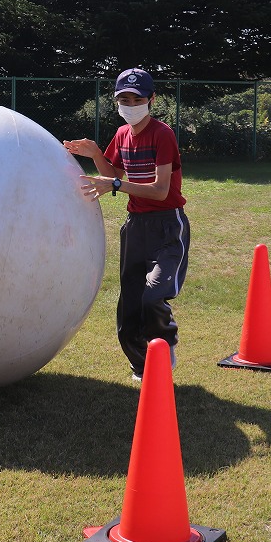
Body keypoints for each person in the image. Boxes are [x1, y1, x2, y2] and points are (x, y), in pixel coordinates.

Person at [63, 68, 188, 383]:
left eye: (137, 98)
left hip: (167, 225)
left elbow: (160, 191)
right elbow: (114, 172)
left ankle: (166, 342)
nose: (129, 104)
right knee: (129, 305)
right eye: (123, 99)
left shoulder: (163, 134)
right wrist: (94, 154)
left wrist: (115, 185)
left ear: (151, 100)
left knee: (153, 294)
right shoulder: (121, 134)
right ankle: (142, 366)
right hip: (135, 227)